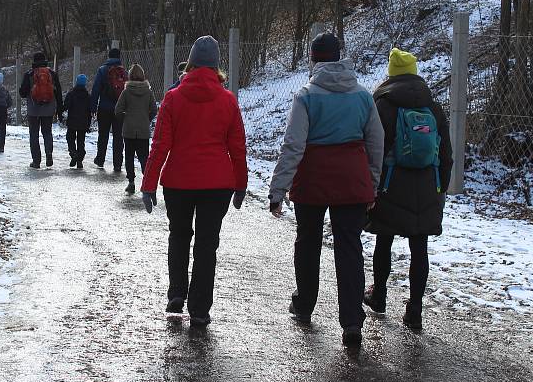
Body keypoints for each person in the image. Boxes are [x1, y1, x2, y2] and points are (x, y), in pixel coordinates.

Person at [268, 32, 384, 347]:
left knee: (307, 242)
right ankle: (351, 323)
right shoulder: (362, 96)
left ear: (313, 59)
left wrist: (278, 189)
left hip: (313, 181)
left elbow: (293, 145)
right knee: (349, 248)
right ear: (339, 57)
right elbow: (376, 143)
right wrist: (371, 184)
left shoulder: (306, 95)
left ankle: (304, 304)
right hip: (351, 181)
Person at [141, 36, 248, 328]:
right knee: (206, 245)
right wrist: (241, 184)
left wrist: (149, 184)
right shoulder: (228, 101)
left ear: (190, 63)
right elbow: (238, 147)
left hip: (179, 181)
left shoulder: (173, 98)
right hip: (218, 184)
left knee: (179, 236)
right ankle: (200, 309)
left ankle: (177, 293)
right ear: (216, 67)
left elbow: (160, 144)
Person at [364, 48, 453, 331]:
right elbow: (446, 155)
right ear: (414, 73)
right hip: (427, 185)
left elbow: (373, 149)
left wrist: (371, 185)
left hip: (391, 185)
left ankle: (378, 295)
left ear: (391, 74)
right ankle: (415, 309)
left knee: (384, 241)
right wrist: (441, 189)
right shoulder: (434, 107)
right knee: (420, 247)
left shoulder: (382, 106)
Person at [115, 64, 157, 194]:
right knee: (144, 157)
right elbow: (154, 110)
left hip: (129, 130)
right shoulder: (148, 92)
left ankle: (131, 182)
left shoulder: (126, 92)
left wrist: (126, 119)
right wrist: (146, 119)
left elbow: (118, 110)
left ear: (130, 76)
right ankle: (147, 183)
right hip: (143, 130)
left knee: (129, 156)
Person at [19, 52, 63, 169]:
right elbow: (58, 92)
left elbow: (22, 93)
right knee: (47, 132)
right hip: (49, 109)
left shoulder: (29, 74)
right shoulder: (52, 74)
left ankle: (36, 161)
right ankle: (49, 154)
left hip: (33, 110)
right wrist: (59, 108)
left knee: (34, 135)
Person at [90, 48, 128, 171]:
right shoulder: (123, 72)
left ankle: (100, 159)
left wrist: (93, 107)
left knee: (103, 135)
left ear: (109, 56)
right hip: (120, 109)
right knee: (118, 136)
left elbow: (96, 89)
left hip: (104, 108)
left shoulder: (102, 70)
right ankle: (117, 163)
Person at [64, 74, 92, 169]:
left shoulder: (71, 94)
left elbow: (66, 106)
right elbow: (89, 111)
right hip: (83, 123)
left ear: (76, 82)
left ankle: (73, 153)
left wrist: (59, 111)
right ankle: (79, 160)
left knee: (70, 138)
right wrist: (88, 124)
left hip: (72, 121)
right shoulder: (87, 96)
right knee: (81, 141)